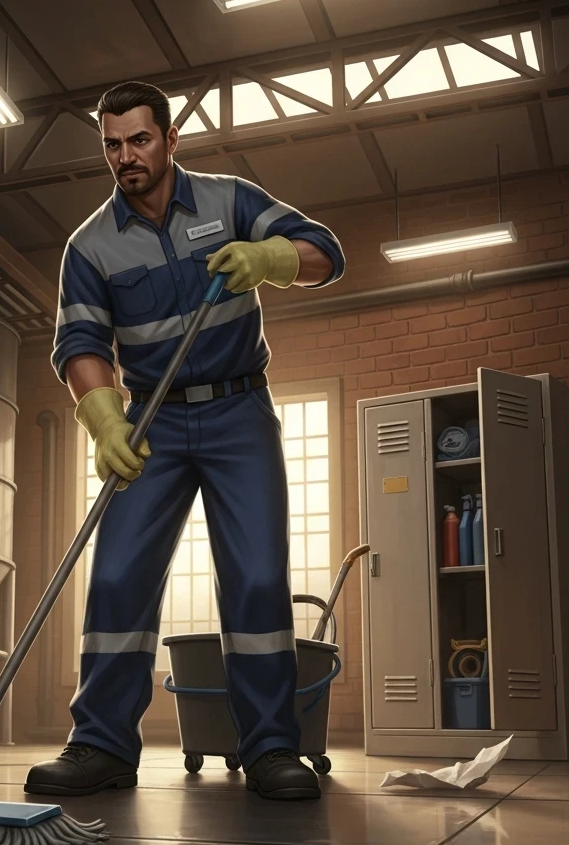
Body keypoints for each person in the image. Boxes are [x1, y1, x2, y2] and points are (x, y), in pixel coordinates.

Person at [24, 81, 344, 801]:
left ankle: (268, 749)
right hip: (153, 420)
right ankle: (102, 745)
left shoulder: (230, 199)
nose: (125, 156)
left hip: (240, 415)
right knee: (116, 578)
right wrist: (104, 419)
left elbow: (326, 252)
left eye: (139, 139)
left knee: (258, 580)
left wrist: (270, 261)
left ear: (170, 139)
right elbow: (79, 339)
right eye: (111, 144)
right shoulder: (90, 244)